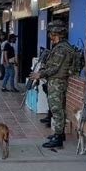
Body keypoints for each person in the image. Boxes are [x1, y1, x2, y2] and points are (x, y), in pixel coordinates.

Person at [30, 20, 72, 148]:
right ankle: (60, 134)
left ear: (56, 32)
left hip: (57, 83)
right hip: (57, 81)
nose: (50, 36)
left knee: (57, 110)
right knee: (59, 109)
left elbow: (54, 68)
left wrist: (40, 74)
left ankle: (58, 138)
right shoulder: (61, 47)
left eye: (51, 33)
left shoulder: (61, 48)